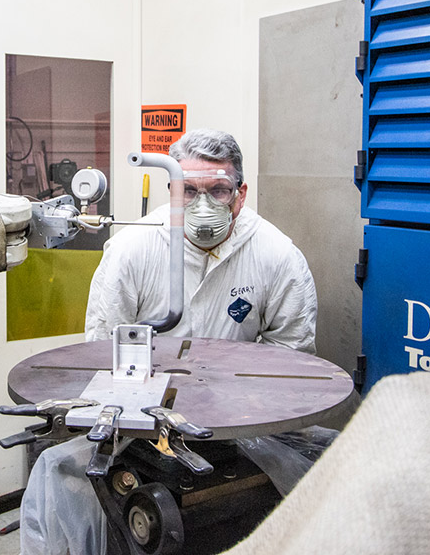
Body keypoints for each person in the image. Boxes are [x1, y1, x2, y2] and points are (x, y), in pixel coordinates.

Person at [20, 128, 319, 555]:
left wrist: (238, 406)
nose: (203, 206)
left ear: (242, 192)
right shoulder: (131, 249)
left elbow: (290, 361)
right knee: (63, 477)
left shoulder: (276, 255)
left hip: (238, 429)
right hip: (139, 429)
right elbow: (101, 349)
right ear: (170, 189)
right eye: (188, 190)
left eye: (218, 190)